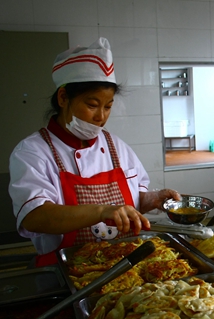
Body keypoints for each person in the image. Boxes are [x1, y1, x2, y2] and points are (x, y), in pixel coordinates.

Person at [8, 37, 181, 267]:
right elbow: (35, 217)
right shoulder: (32, 152)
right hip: (66, 270)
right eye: (92, 105)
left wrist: (153, 199)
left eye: (108, 106)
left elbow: (130, 200)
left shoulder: (117, 147)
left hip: (125, 267)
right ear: (63, 98)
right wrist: (101, 211)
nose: (101, 116)